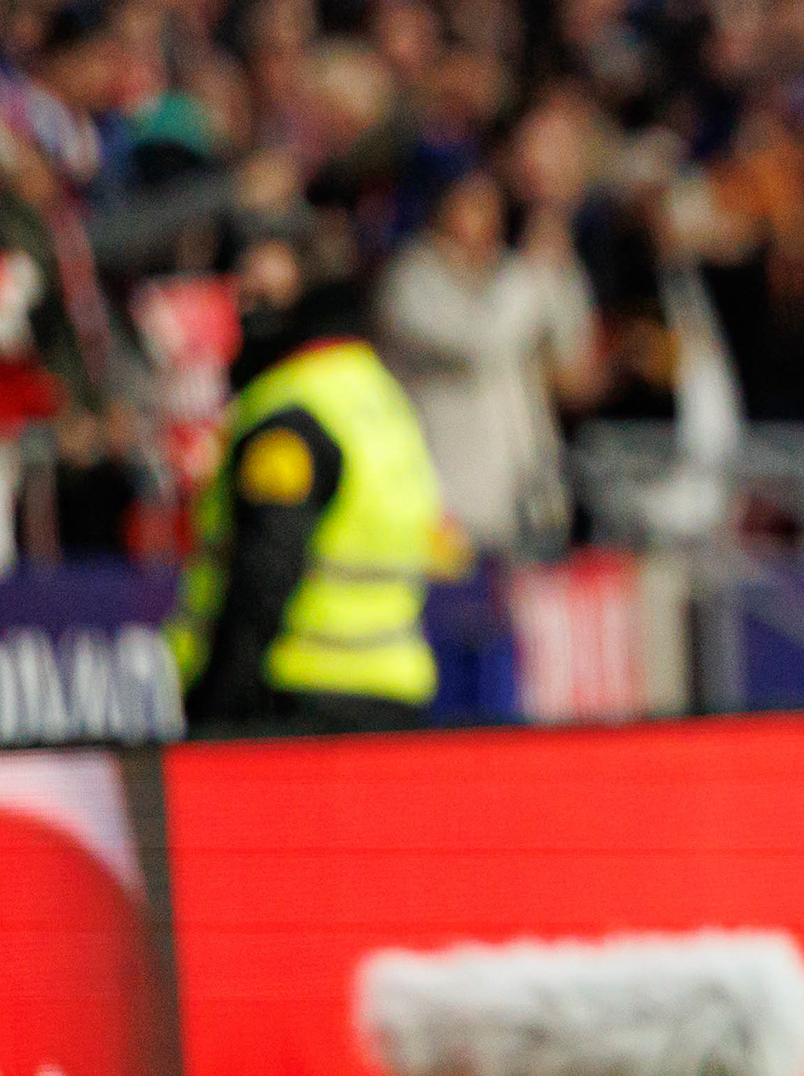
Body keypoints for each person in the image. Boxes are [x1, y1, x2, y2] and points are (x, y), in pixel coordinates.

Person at [165, 237, 454, 732]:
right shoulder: (380, 395)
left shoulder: (291, 413)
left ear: (306, 296)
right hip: (391, 692)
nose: (246, 311)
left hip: (297, 695)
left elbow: (265, 571)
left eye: (264, 295)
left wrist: (218, 706)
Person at [377, 164, 602, 561]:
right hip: (448, 501)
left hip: (525, 499)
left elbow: (572, 357)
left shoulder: (511, 275)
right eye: (472, 204)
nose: (487, 218)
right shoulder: (412, 280)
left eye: (492, 206)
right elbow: (481, 344)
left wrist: (562, 273)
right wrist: (533, 273)